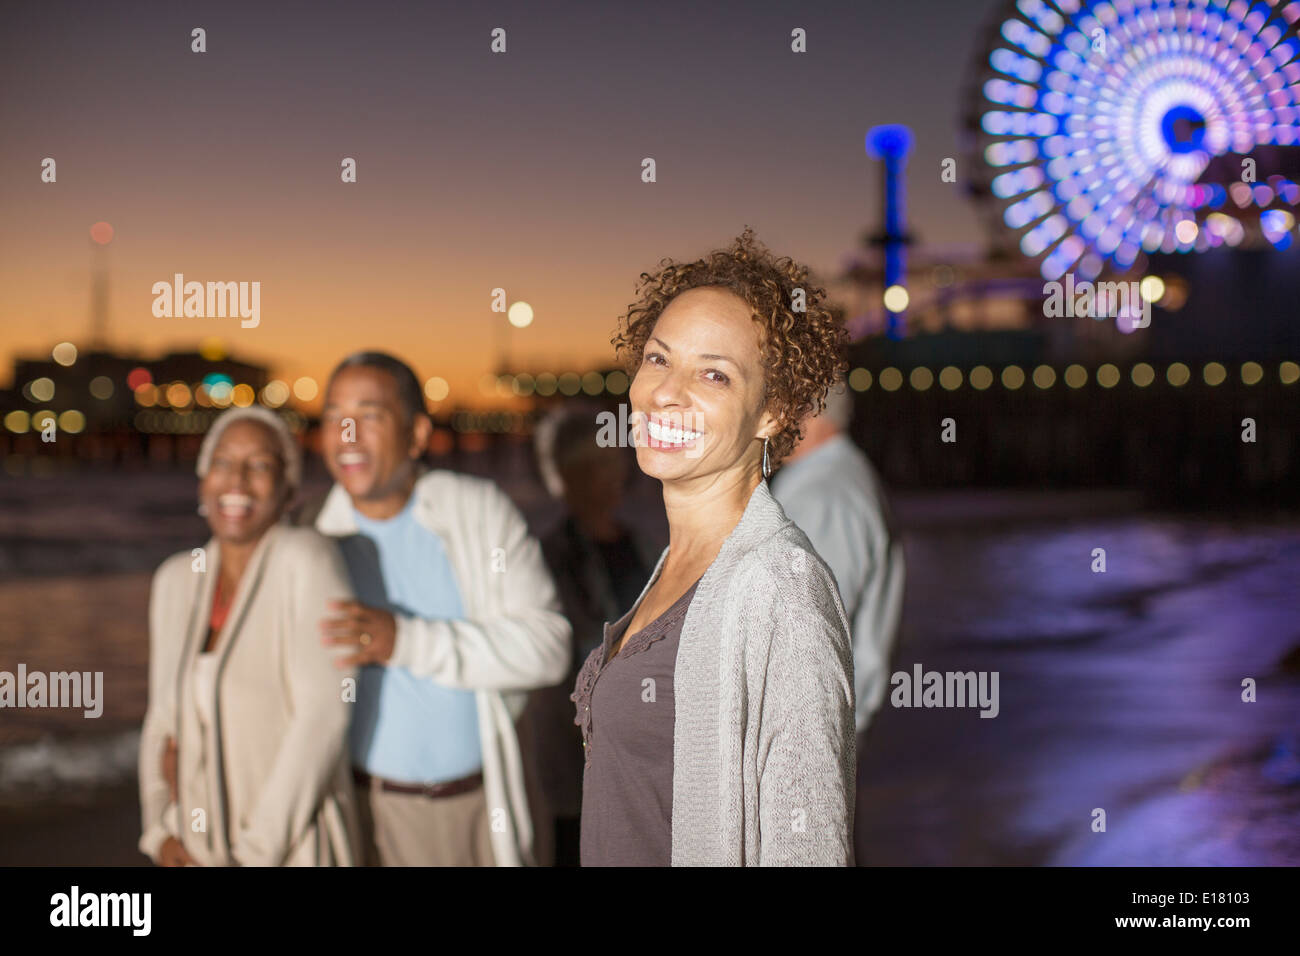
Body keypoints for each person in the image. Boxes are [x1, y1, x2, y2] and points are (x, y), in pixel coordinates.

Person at [572, 227, 856, 866]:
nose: (666, 392)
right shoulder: (678, 562)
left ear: (772, 412)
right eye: (658, 358)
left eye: (715, 375)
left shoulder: (780, 589)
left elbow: (806, 850)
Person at [314, 351, 570, 866]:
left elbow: (550, 648)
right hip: (366, 814)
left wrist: (403, 641)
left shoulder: (476, 511)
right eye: (333, 415)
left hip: (476, 807)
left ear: (416, 434)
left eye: (369, 415)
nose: (347, 434)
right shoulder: (312, 542)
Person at [139, 405, 362, 866]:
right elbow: (161, 720)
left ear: (288, 490)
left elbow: (323, 720)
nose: (236, 480)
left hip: (290, 849)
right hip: (196, 848)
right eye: (222, 463)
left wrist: (252, 857)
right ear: (203, 481)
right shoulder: (176, 579)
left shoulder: (309, 561)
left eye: (259, 465)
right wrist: (159, 831)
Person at [521, 405, 658, 865]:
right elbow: (564, 651)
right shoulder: (549, 557)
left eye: (617, 463)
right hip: (575, 755)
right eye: (598, 467)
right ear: (569, 477)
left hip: (642, 755)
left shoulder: (643, 543)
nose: (614, 476)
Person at [770, 378, 905, 740]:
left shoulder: (825, 495)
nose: (766, 418)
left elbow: (808, 633)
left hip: (806, 730)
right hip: (818, 725)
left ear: (808, 412)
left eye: (775, 403)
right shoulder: (833, 479)